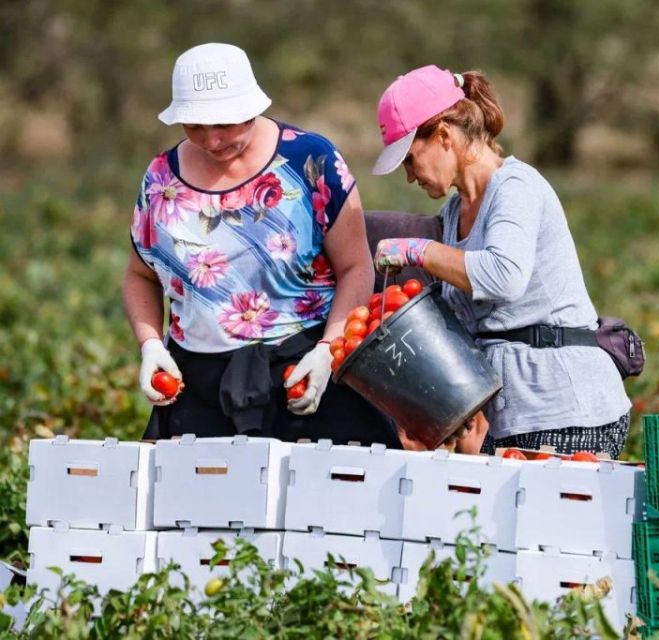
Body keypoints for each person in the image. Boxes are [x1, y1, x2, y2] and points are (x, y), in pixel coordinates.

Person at [123, 42, 399, 447]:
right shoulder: (161, 178)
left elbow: (356, 268)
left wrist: (328, 351)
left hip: (303, 370)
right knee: (198, 505)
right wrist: (150, 344)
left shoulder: (310, 161)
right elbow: (138, 276)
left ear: (252, 106)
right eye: (196, 126)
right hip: (197, 384)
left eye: (225, 124)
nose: (213, 140)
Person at [369, 65, 632, 458]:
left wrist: (417, 251)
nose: (410, 177)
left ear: (443, 136)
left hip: (566, 409)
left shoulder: (516, 187)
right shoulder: (455, 211)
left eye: (410, 159)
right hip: (509, 416)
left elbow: (504, 276)